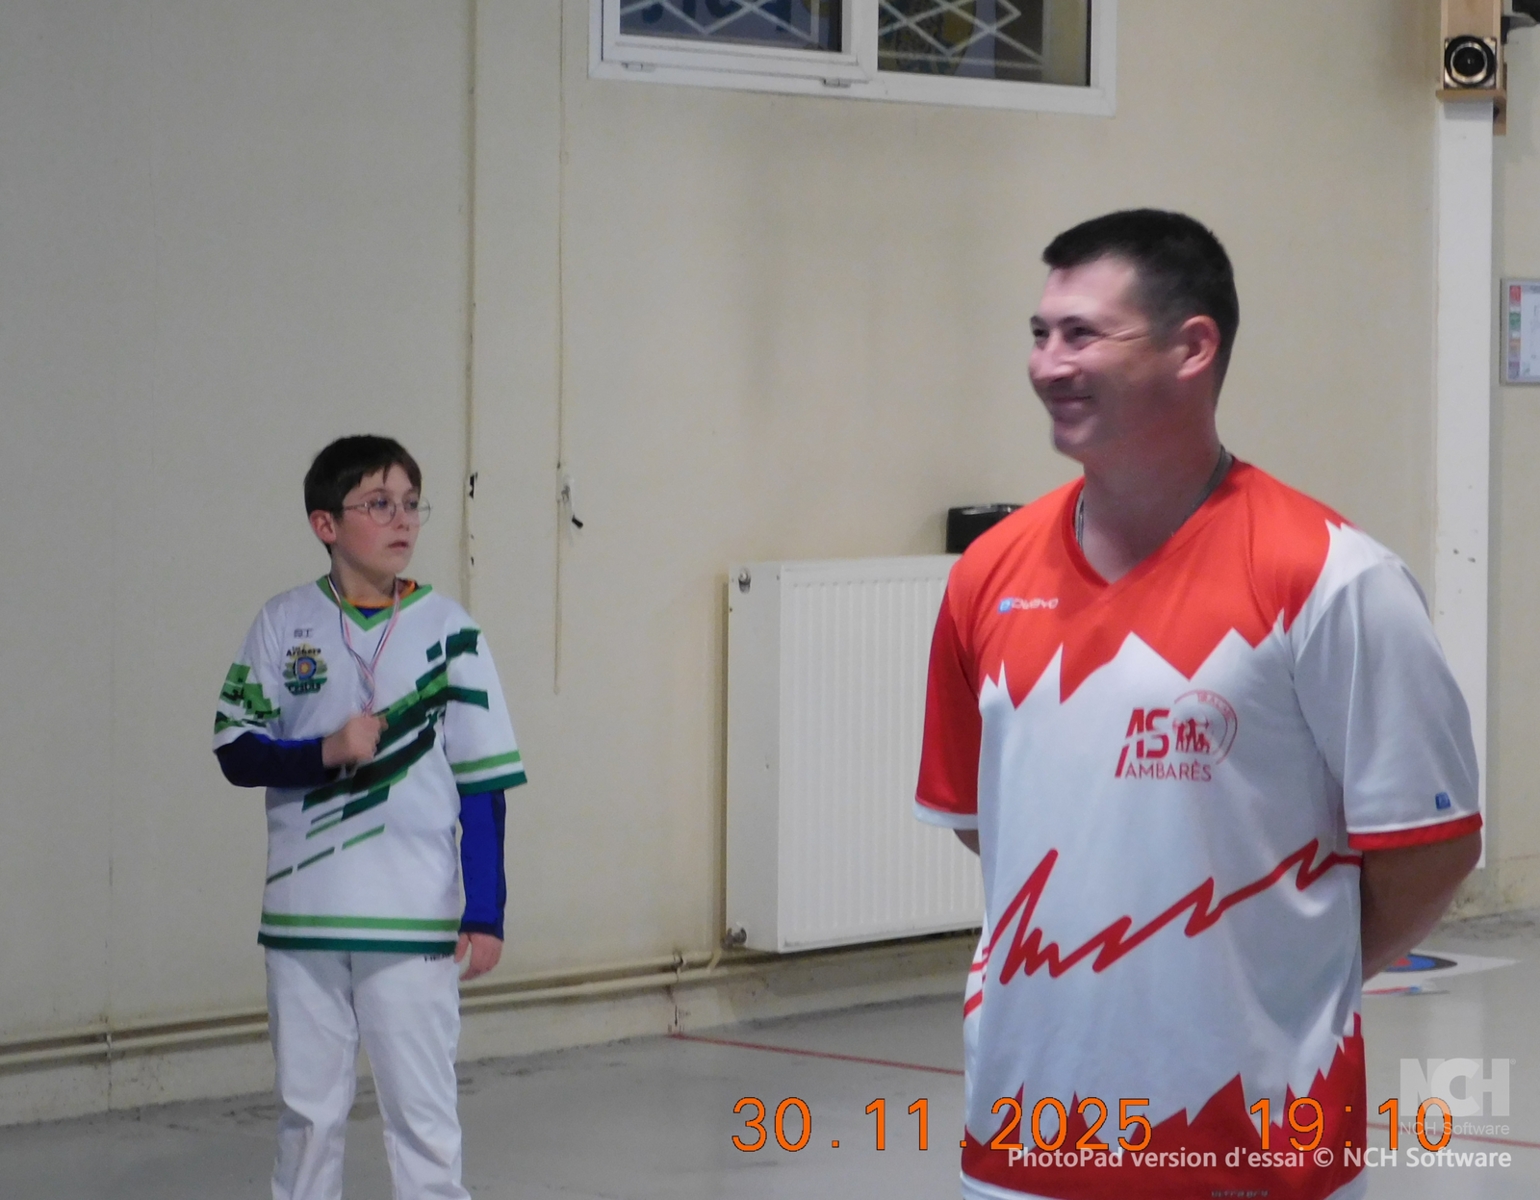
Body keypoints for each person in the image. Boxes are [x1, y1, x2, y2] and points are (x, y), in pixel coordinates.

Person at [915, 209, 1482, 1200]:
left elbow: (1429, 848)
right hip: (1024, 1137)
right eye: (1040, 333)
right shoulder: (988, 574)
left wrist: (1282, 975)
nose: (1048, 364)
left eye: (1083, 334)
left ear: (1192, 348)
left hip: (1258, 1151)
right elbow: (985, 822)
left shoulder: (1331, 578)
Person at [213, 435, 526, 1200]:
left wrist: (485, 912)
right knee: (308, 1117)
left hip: (412, 920)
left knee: (423, 1118)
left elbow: (483, 784)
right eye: (379, 504)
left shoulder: (450, 630)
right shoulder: (283, 622)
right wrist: (324, 752)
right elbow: (235, 750)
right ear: (326, 523)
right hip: (304, 920)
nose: (403, 520)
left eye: (411, 503)